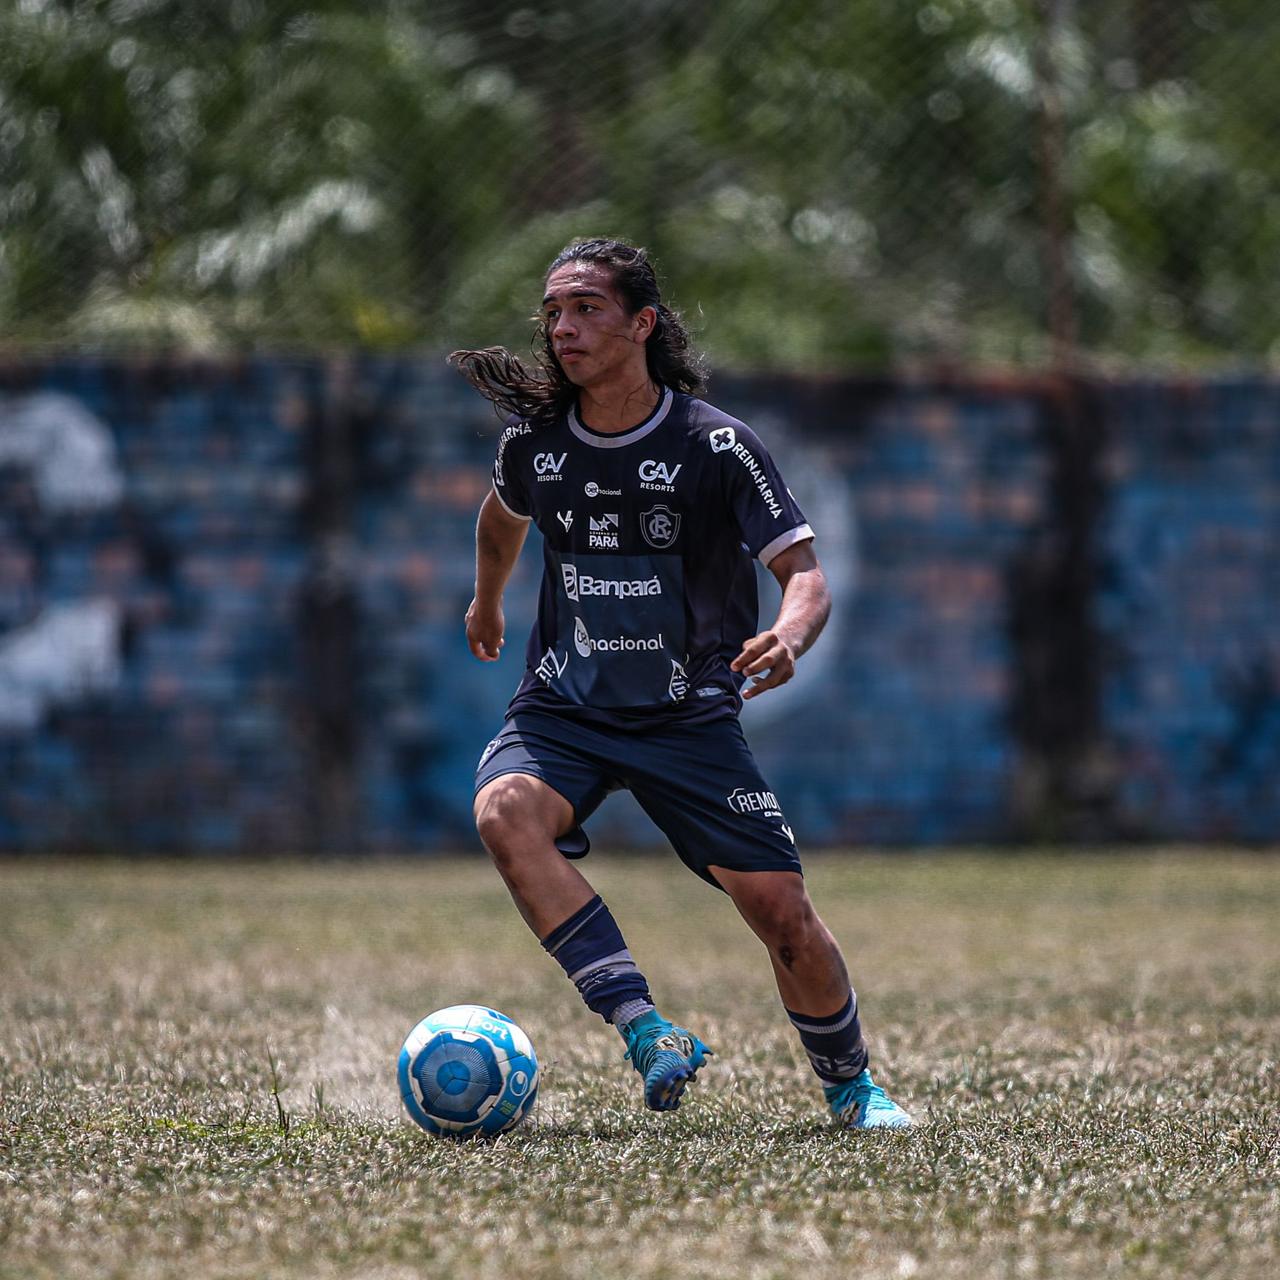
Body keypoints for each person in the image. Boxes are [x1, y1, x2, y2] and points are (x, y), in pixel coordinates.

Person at [451, 238, 910, 1129]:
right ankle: (644, 1028)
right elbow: (501, 520)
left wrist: (789, 634)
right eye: (551, 313)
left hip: (686, 718)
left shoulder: (716, 446)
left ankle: (853, 1089)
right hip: (565, 709)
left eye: (585, 308)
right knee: (505, 810)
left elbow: (805, 574)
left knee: (781, 912)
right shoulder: (536, 447)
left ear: (642, 324)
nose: (562, 328)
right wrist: (486, 603)